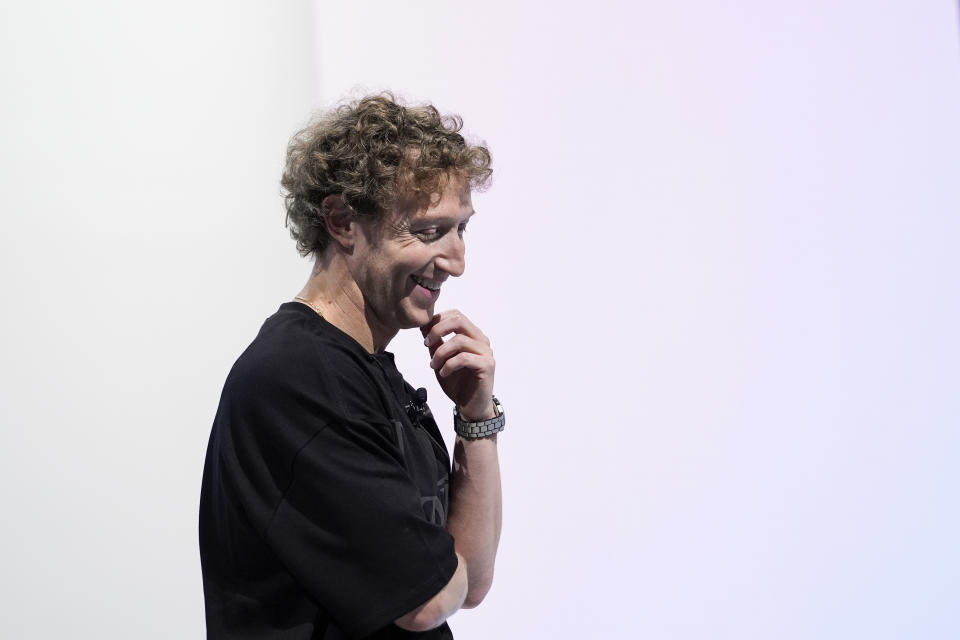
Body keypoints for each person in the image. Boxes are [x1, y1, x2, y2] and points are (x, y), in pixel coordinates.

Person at [199, 93, 503, 639]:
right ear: (342, 221)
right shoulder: (300, 378)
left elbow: (472, 581)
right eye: (431, 231)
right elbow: (428, 599)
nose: (458, 261)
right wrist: (442, 569)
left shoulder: (365, 372)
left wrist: (477, 419)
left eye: (463, 229)